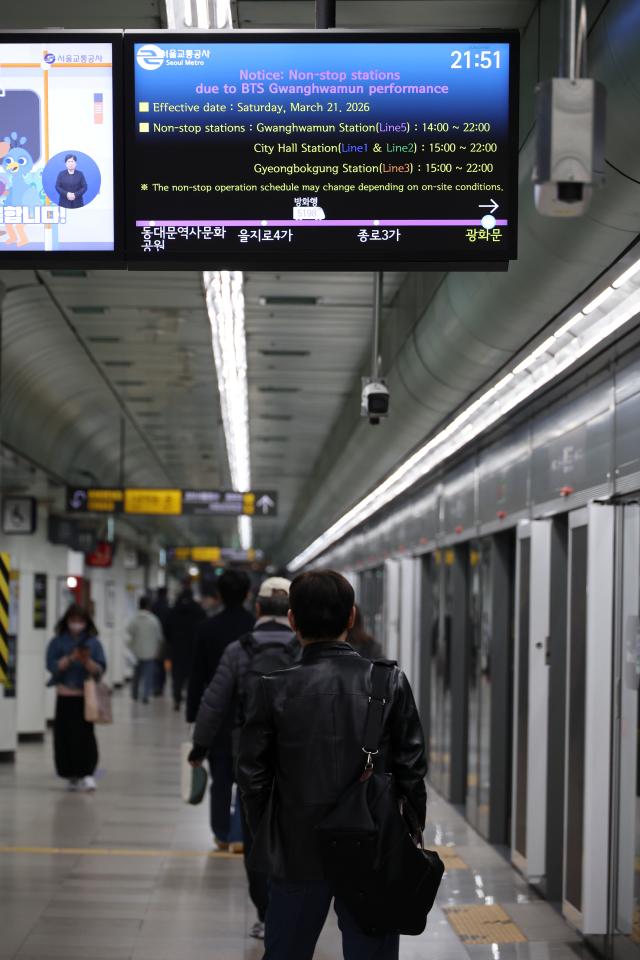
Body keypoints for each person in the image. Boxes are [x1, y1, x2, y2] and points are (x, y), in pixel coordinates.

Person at [236, 570, 427, 960]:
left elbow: (252, 777)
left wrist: (267, 836)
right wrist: (408, 835)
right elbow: (412, 769)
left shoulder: (271, 687)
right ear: (351, 617)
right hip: (372, 844)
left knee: (286, 951)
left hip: (296, 846)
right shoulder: (388, 682)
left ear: (292, 620)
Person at [189, 576, 298, 940]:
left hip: (249, 756)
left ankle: (266, 913)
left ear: (258, 608)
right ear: (292, 613)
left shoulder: (240, 650)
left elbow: (214, 701)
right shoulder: (305, 648)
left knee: (255, 833)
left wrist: (200, 746)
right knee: (296, 831)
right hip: (298, 760)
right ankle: (296, 909)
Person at [187, 570, 254, 851]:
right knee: (247, 779)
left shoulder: (206, 628)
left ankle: (221, 833)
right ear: (249, 594)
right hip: (250, 714)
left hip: (216, 715)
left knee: (221, 776)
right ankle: (240, 833)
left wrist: (194, 717)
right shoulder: (255, 628)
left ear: (218, 595)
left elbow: (198, 675)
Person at [45, 604, 107, 793]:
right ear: (67, 621)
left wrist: (87, 661)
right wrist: (71, 658)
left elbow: (100, 670)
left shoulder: (93, 643)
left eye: (80, 622)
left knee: (84, 736)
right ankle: (70, 774)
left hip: (84, 697)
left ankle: (87, 773)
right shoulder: (57, 642)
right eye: (73, 621)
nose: (76, 625)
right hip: (64, 695)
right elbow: (52, 666)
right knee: (64, 737)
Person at [166, 588, 206, 710]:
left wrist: (172, 640)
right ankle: (191, 700)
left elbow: (167, 629)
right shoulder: (198, 611)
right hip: (193, 648)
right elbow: (204, 628)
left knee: (177, 675)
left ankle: (177, 699)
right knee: (192, 676)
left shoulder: (173, 611)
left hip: (177, 648)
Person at [126, 596, 164, 704]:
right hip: (150, 652)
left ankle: (134, 694)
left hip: (136, 653)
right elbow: (159, 637)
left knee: (136, 675)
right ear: (148, 606)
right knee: (148, 675)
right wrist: (157, 650)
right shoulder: (154, 620)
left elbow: (128, 634)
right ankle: (145, 695)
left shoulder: (134, 619)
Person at [151, 586, 170, 696]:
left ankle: (155, 686)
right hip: (164, 639)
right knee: (162, 663)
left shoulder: (154, 606)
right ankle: (161, 686)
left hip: (153, 638)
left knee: (155, 663)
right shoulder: (167, 607)